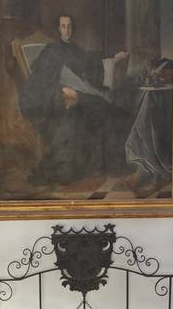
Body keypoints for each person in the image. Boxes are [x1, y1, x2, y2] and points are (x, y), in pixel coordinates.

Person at [19, 13, 130, 184]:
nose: (67, 30)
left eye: (70, 26)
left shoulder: (75, 49)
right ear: (58, 28)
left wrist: (114, 57)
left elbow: (92, 59)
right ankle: (96, 164)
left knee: (112, 111)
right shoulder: (51, 50)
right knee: (96, 108)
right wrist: (62, 88)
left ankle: (108, 164)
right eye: (63, 26)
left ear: (73, 28)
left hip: (80, 93)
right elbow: (40, 79)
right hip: (60, 96)